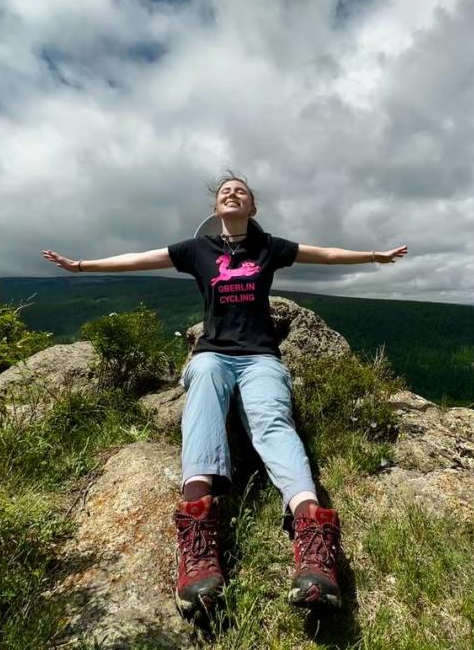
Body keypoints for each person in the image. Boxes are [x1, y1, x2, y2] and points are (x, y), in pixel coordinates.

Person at [42, 173, 407, 615]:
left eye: (241, 192)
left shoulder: (269, 247)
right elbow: (140, 259)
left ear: (252, 207)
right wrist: (82, 266)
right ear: (216, 209)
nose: (231, 194)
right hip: (213, 352)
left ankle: (311, 535)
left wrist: (374, 255)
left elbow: (323, 253)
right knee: (203, 397)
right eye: (224, 192)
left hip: (260, 357)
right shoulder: (198, 251)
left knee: (273, 421)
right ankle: (198, 528)